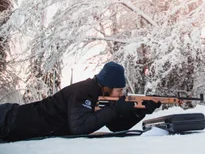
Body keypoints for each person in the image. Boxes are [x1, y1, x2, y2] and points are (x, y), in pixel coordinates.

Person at [0, 61, 161, 142]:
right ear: (107, 87)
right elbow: (79, 128)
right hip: (9, 120)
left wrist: (139, 112)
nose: (121, 95)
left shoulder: (97, 94)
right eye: (119, 91)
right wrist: (115, 109)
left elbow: (115, 127)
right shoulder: (84, 91)